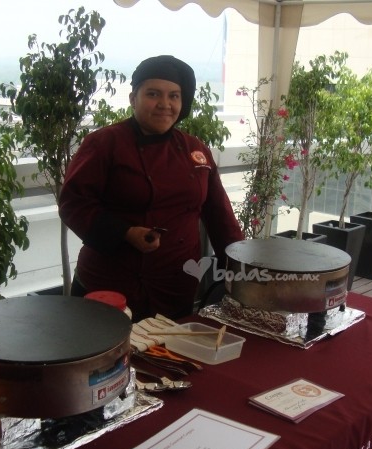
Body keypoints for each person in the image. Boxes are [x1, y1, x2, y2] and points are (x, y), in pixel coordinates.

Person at [59, 55, 243, 322]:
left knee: (168, 349)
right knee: (107, 349)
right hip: (110, 287)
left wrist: (239, 268)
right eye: (153, 94)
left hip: (175, 285)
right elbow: (73, 204)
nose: (164, 104)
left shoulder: (195, 149)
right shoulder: (104, 143)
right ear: (133, 98)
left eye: (174, 96)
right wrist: (125, 232)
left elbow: (220, 215)